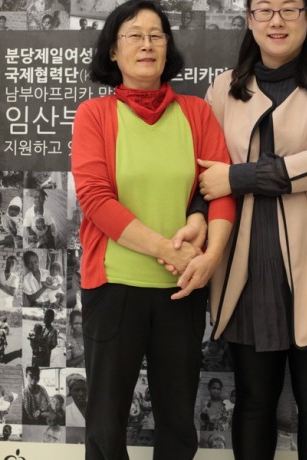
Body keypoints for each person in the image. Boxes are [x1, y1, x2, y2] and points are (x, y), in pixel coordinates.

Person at [199, 1, 307, 458]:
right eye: (265, 10)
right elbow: (205, 169)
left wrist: (238, 177)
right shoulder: (224, 88)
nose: (277, 21)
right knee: (253, 401)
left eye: (289, 9)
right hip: (246, 267)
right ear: (249, 19)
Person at [70, 1, 234, 459]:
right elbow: (96, 200)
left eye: (156, 35)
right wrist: (167, 248)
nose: (147, 44)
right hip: (113, 287)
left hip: (183, 287)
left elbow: (220, 190)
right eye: (134, 35)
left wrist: (210, 257)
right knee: (105, 424)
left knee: (178, 423)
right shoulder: (94, 115)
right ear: (113, 51)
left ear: (167, 47)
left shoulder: (197, 113)